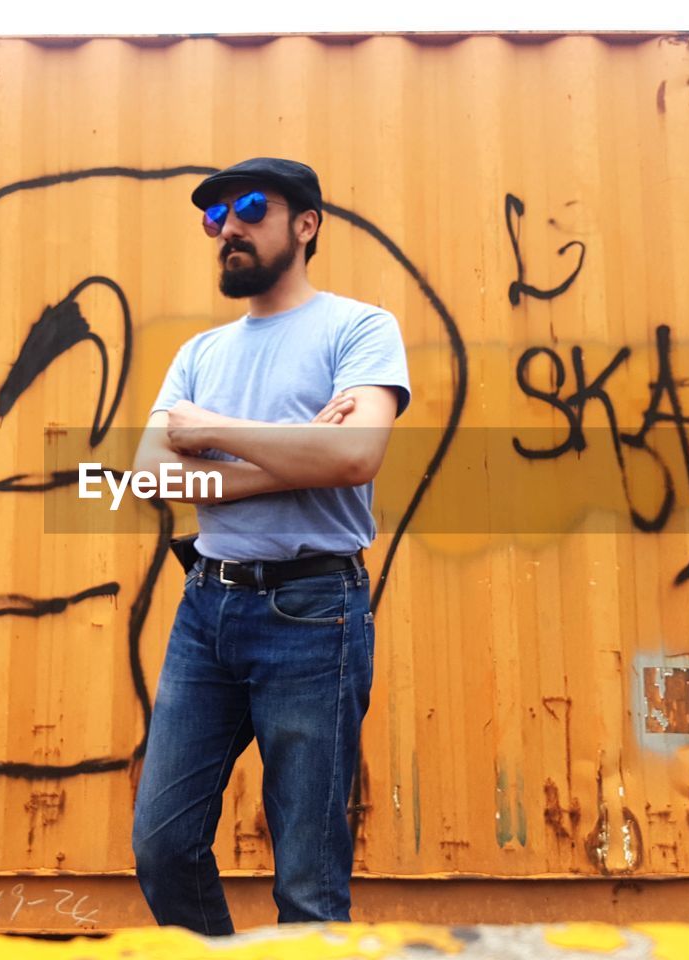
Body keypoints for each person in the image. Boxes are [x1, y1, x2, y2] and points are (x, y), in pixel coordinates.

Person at [130, 157, 411, 933]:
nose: (230, 229)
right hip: (207, 609)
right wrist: (292, 460)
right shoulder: (200, 354)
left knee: (309, 884)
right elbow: (149, 478)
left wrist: (211, 433)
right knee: (162, 844)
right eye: (214, 218)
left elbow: (354, 457)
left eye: (250, 208)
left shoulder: (359, 328)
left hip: (313, 612)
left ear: (306, 224)